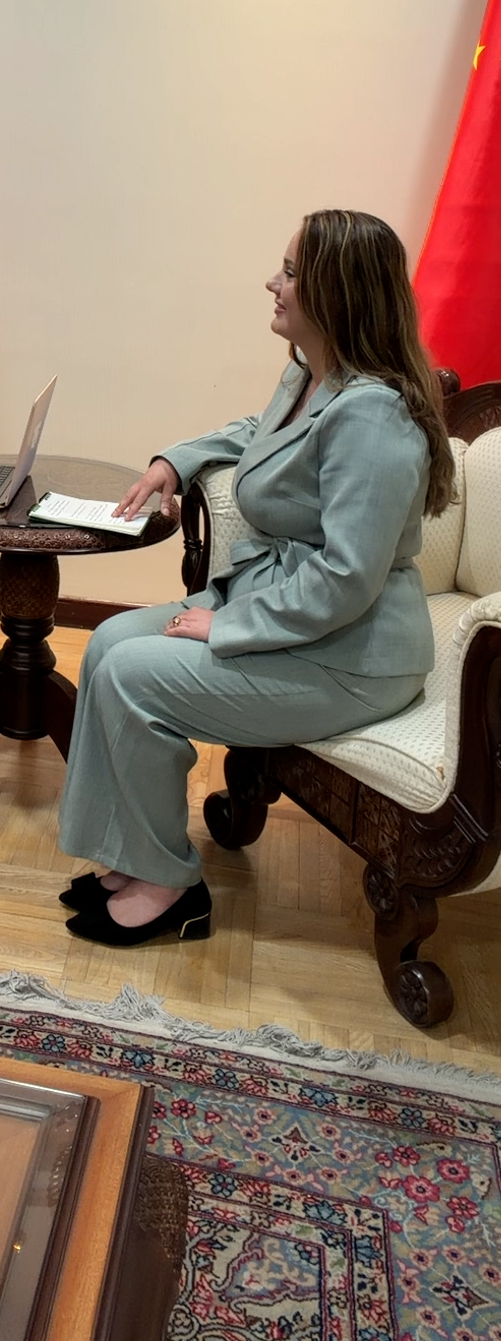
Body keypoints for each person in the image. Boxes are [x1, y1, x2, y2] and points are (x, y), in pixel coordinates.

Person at [58, 209, 453, 949]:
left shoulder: (375, 419)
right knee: (109, 640)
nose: (273, 282)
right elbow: (256, 433)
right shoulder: (312, 374)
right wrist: (176, 460)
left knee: (134, 677)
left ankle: (170, 886)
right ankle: (133, 853)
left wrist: (229, 625)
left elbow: (347, 579)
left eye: (292, 272)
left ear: (335, 291)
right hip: (298, 619)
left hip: (355, 659)